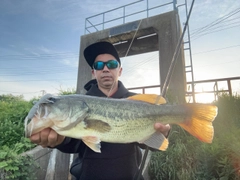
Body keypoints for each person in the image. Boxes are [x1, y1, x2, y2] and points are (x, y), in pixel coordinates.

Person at [30, 41, 171, 180]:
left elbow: (145, 143)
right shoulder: (79, 103)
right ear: (93, 72)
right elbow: (75, 143)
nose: (105, 69)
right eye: (98, 65)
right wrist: (59, 141)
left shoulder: (136, 101)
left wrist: (162, 132)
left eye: (111, 64)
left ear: (119, 70)